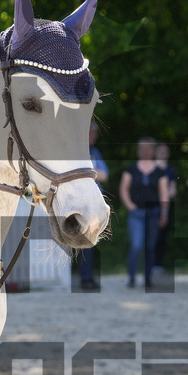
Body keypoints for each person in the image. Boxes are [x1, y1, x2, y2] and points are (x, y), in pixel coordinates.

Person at [119, 137, 170, 289]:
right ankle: (132, 277)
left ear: (153, 150)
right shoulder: (131, 169)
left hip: (154, 212)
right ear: (138, 150)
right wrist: (130, 205)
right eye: (142, 148)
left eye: (148, 148)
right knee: (136, 244)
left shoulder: (160, 172)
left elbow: (164, 193)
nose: (145, 151)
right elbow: (124, 189)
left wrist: (164, 212)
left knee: (150, 246)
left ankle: (148, 278)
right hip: (137, 213)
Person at [77, 121, 109, 290]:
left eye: (95, 133)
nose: (93, 136)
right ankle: (85, 277)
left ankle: (87, 277)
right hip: (80, 201)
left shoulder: (95, 152)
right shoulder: (77, 151)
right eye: (90, 133)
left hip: (93, 202)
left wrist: (91, 173)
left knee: (89, 240)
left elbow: (104, 175)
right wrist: (93, 173)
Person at [152, 141, 178, 278]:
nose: (163, 153)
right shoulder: (151, 168)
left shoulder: (170, 171)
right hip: (152, 205)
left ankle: (158, 264)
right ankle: (150, 263)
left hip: (166, 205)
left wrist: (165, 192)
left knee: (162, 236)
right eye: (161, 151)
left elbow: (173, 190)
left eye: (165, 151)